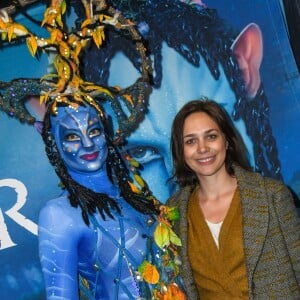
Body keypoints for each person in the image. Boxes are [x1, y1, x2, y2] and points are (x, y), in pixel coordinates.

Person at [38, 102, 186, 299]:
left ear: (105, 130)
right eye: (72, 136)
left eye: (94, 131)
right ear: (53, 142)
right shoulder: (59, 214)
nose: (88, 144)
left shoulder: (135, 197)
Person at [167, 98, 300, 299]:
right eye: (191, 141)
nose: (202, 148)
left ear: (226, 141)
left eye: (211, 136)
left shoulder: (272, 195)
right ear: (181, 151)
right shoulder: (173, 212)